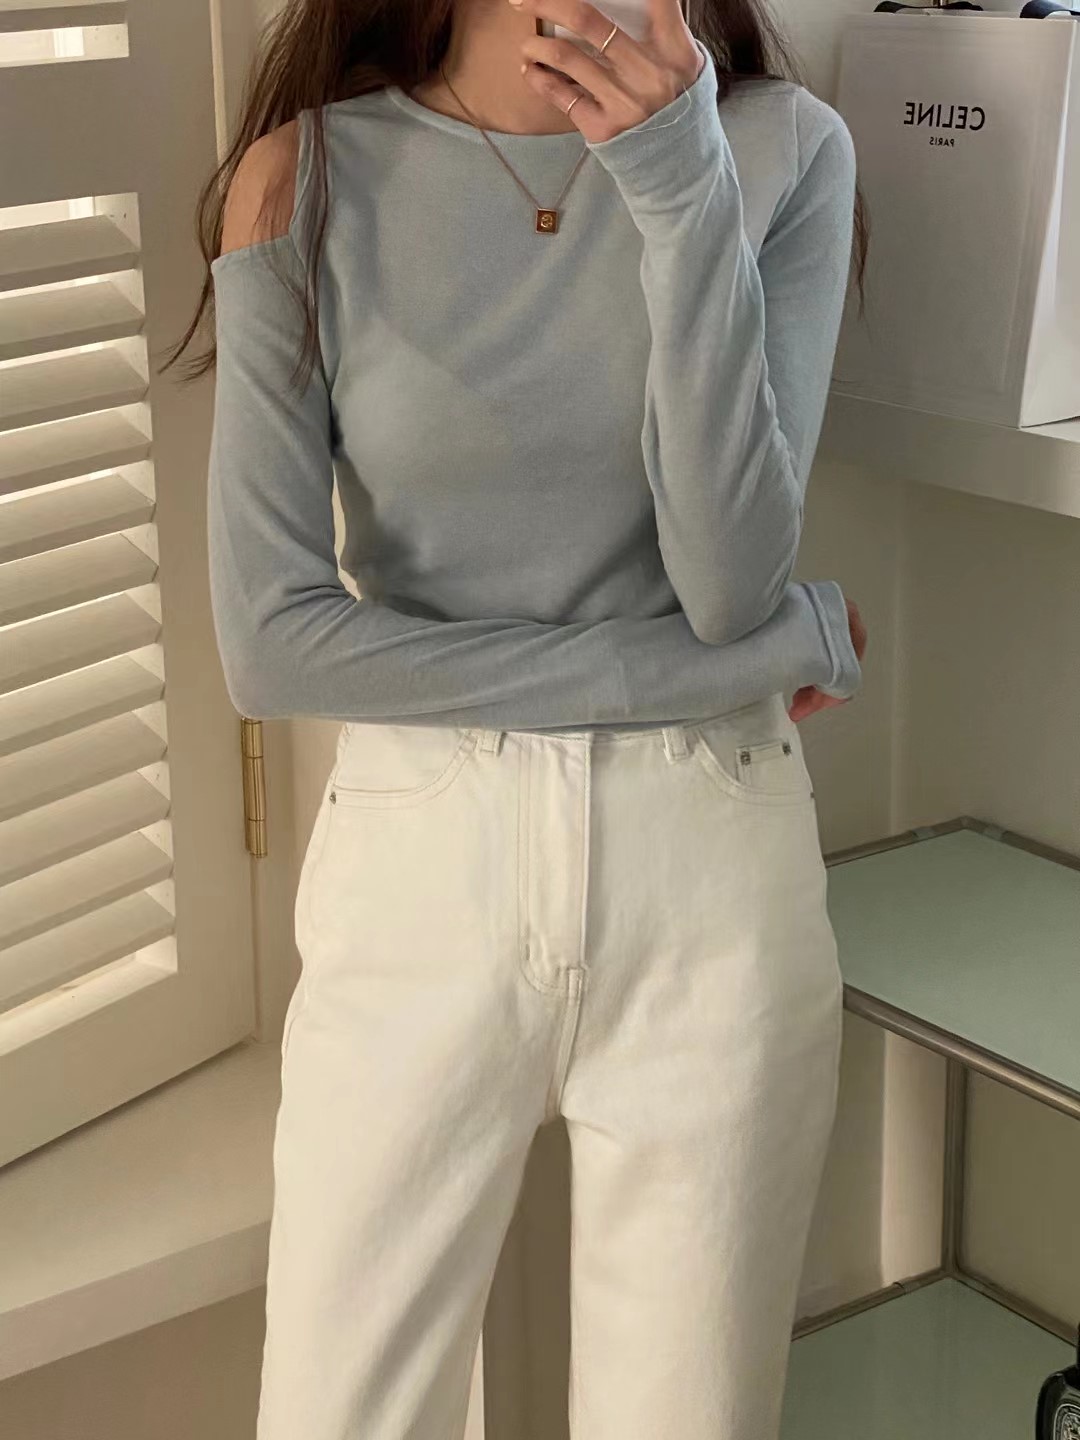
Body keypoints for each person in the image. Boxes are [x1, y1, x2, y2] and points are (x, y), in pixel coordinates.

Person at [179, 0, 871, 1432]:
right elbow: (276, 647)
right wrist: (746, 657)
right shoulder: (304, 177)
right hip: (421, 869)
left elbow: (729, 588)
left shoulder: (784, 150)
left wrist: (680, 183)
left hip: (710, 869)